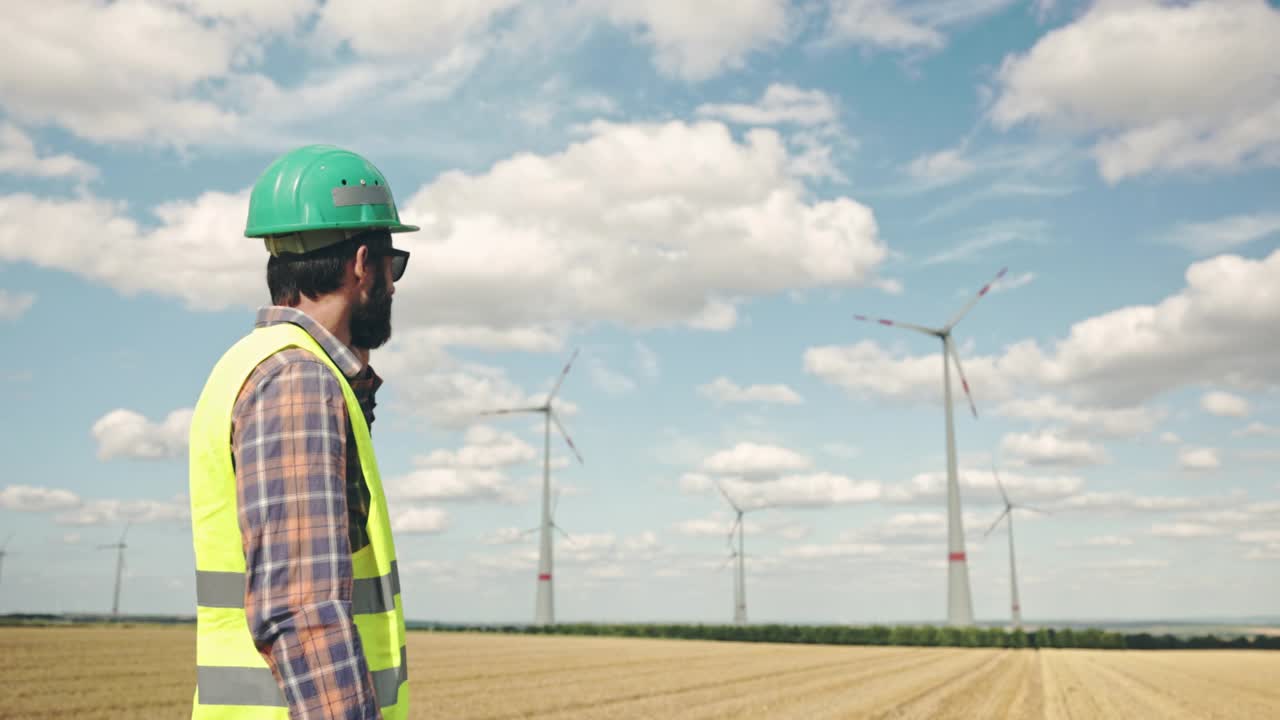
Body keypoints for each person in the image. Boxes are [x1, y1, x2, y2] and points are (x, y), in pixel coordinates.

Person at [187, 145, 416, 719]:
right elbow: (305, 611)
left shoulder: (261, 364)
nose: (396, 285)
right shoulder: (297, 379)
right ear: (364, 263)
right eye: (397, 265)